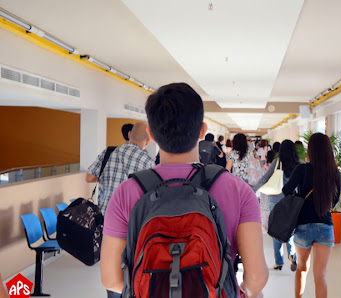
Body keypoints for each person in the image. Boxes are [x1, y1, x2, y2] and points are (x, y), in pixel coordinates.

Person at [100, 83, 268, 297]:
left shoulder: (126, 192)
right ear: (202, 130)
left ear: (151, 134)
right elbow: (256, 277)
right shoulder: (239, 191)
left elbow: (111, 279)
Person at [282, 133, 340, 298]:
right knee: (320, 275)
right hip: (325, 226)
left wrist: (299, 199)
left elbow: (286, 190)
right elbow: (334, 202)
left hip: (303, 226)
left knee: (301, 269)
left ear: (310, 150)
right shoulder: (334, 172)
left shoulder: (302, 169)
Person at [86, 122, 155, 215]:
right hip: (129, 219)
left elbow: (89, 178)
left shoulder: (108, 152)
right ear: (147, 141)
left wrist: (108, 176)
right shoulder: (148, 162)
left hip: (103, 216)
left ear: (129, 134)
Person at [254, 140, 300, 271]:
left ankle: (279, 262)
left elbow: (265, 178)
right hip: (290, 200)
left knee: (275, 230)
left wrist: (253, 190)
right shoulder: (298, 165)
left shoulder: (276, 162)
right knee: (290, 228)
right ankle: (292, 254)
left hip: (275, 199)